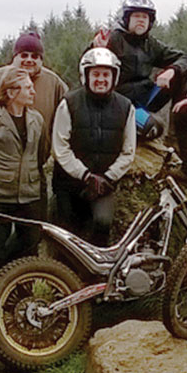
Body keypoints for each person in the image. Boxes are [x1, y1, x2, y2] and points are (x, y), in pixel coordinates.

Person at [95, 0, 187, 186]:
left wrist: (171, 70)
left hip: (145, 98)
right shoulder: (113, 39)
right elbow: (89, 70)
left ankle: (177, 135)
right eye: (136, 16)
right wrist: (95, 50)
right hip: (120, 102)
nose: (141, 20)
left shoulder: (151, 44)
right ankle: (125, 133)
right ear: (126, 19)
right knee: (153, 128)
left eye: (145, 17)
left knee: (182, 75)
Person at [52, 48, 136, 246]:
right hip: (69, 183)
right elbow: (60, 147)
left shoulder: (126, 107)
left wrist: (107, 177)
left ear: (113, 77)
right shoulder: (69, 103)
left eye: (106, 74)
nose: (101, 79)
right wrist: (85, 175)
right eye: (96, 74)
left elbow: (128, 151)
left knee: (102, 223)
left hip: (104, 184)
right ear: (85, 75)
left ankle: (95, 273)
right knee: (67, 231)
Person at [0, 68, 48, 288]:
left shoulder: (37, 120)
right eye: (27, 88)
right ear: (11, 92)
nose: (33, 92)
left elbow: (42, 154)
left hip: (30, 196)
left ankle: (22, 298)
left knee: (28, 252)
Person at [0, 30, 68, 138]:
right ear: (15, 57)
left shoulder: (54, 83)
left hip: (38, 152)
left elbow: (68, 114)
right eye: (24, 55)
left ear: (41, 60)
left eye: (34, 56)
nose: (29, 60)